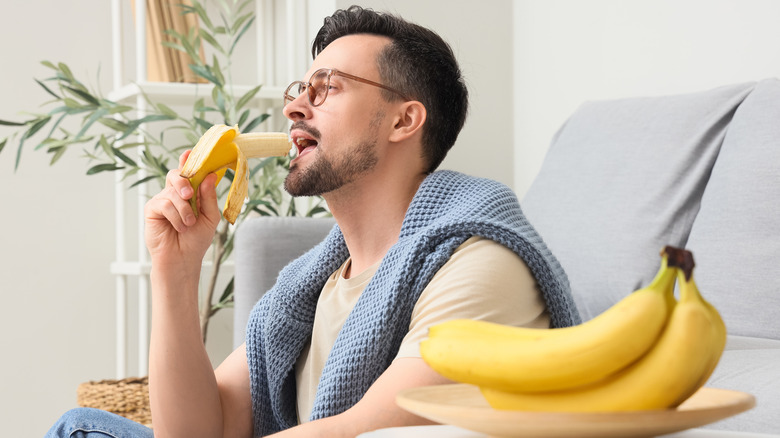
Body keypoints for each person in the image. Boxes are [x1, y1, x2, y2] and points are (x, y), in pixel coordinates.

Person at [46, 5, 580, 438]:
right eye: (297, 91)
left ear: (403, 120)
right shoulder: (309, 286)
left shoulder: (480, 262)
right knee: (79, 427)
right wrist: (176, 269)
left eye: (325, 86)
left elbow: (362, 430)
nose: (295, 108)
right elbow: (191, 432)